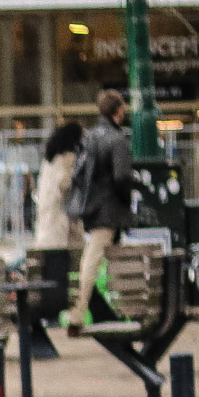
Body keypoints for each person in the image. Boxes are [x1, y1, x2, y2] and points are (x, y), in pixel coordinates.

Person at [66, 90, 135, 333]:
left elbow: (79, 173)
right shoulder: (118, 140)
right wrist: (128, 198)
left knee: (111, 259)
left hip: (92, 208)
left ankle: (123, 308)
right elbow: (122, 177)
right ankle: (78, 312)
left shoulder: (90, 137)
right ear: (118, 111)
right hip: (110, 211)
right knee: (94, 260)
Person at [34, 121, 81, 251]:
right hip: (61, 217)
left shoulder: (49, 160)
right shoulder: (67, 159)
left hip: (47, 216)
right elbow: (65, 184)